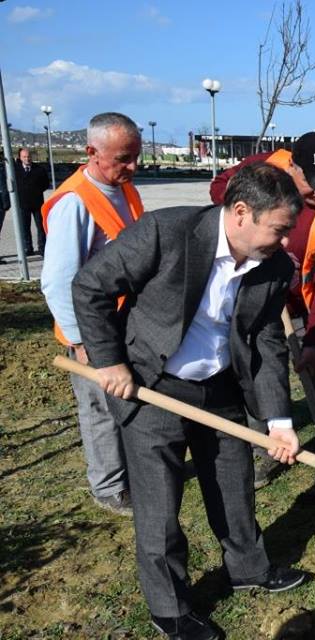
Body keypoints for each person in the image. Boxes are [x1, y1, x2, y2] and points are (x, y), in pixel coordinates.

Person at [72, 163, 308, 640]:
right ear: (241, 212)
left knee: (233, 484)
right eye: (279, 229)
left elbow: (266, 341)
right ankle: (170, 609)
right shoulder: (168, 232)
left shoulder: (275, 267)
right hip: (152, 386)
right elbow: (91, 286)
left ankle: (248, 567)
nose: (285, 242)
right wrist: (110, 361)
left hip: (219, 388)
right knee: (159, 505)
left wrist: (278, 420)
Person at [211, 132, 315, 486]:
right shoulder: (260, 171)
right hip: (253, 299)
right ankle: (264, 451)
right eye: (311, 182)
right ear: (291, 165)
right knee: (255, 376)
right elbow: (219, 188)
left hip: (304, 306)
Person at [39, 113, 143, 515]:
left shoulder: (125, 188)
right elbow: (59, 280)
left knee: (123, 401)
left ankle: (131, 471)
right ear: (92, 152)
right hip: (94, 330)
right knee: (100, 409)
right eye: (123, 159)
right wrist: (80, 342)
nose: (132, 167)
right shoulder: (74, 203)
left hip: (125, 322)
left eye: (135, 157)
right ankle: (109, 487)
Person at [14, 147, 51, 255]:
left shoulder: (39, 169)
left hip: (37, 203)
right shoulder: (15, 170)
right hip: (22, 204)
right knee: (25, 228)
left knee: (41, 227)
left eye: (29, 156)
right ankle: (28, 248)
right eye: (24, 157)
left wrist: (35, 189)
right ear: (20, 158)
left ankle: (42, 248)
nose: (27, 159)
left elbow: (46, 184)